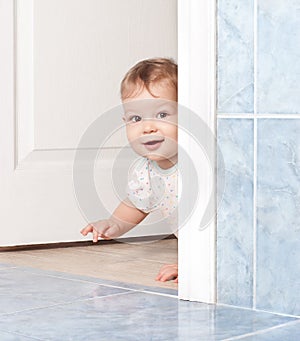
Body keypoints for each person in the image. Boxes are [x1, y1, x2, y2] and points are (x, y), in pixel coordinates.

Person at [80, 58, 178, 282]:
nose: (148, 127)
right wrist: (114, 224)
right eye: (136, 118)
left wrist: (196, 260)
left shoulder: (195, 166)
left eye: (162, 115)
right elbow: (136, 203)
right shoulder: (146, 171)